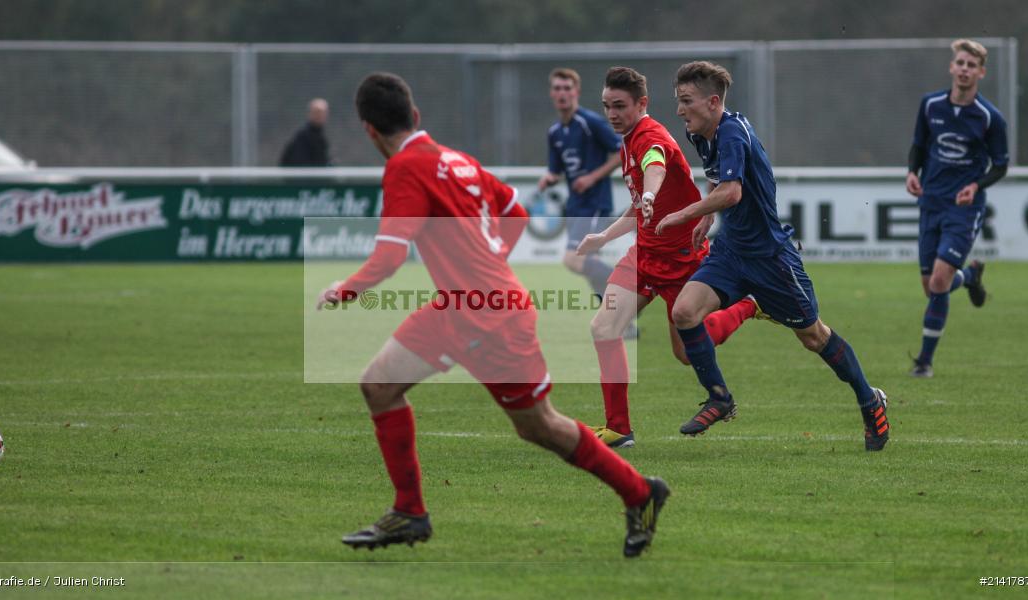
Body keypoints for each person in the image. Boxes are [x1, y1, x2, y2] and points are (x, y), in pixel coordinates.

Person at [317, 72, 669, 557]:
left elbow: (390, 258)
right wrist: (485, 267)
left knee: (538, 426)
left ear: (368, 131)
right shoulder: (454, 159)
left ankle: (640, 492)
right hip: (460, 307)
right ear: (415, 116)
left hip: (488, 315)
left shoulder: (404, 167)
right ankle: (410, 512)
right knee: (378, 385)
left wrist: (344, 290)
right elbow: (516, 213)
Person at [658, 61, 889, 451]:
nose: (680, 110)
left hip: (771, 259)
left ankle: (870, 400)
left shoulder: (732, 132)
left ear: (713, 101)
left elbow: (732, 192)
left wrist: (684, 214)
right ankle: (720, 397)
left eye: (686, 101)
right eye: (678, 101)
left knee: (814, 337)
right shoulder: (701, 131)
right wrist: (708, 213)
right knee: (683, 313)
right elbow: (717, 179)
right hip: (731, 251)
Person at [576, 66, 759, 449]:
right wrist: (604, 236)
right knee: (604, 329)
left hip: (681, 257)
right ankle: (619, 428)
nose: (612, 114)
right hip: (644, 254)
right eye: (607, 106)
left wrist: (650, 194)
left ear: (642, 103)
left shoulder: (650, 136)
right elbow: (638, 203)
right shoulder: (626, 140)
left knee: (685, 353)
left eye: (620, 106)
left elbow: (654, 166)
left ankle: (748, 304)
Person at [905, 39, 1008, 378]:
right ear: (952, 67)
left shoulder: (991, 118)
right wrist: (912, 173)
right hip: (930, 201)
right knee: (931, 287)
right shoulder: (931, 104)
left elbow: (1000, 165)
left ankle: (924, 362)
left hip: (963, 208)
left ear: (981, 72)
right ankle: (970, 276)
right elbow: (919, 145)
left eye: (971, 65)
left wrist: (976, 185)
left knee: (937, 281)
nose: (964, 69)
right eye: (960, 63)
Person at [537, 68, 623, 299]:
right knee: (589, 265)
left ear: (577, 92)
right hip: (576, 206)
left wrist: (592, 177)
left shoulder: (590, 122)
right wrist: (550, 178)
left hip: (595, 203)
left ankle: (629, 288)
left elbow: (621, 152)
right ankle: (617, 317)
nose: (562, 93)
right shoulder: (554, 132)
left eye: (567, 88)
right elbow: (556, 170)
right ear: (551, 93)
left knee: (574, 260)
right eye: (557, 88)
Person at [280, 98, 331, 166]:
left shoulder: (321, 136)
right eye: (317, 112)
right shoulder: (303, 136)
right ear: (310, 113)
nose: (320, 116)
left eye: (323, 113)